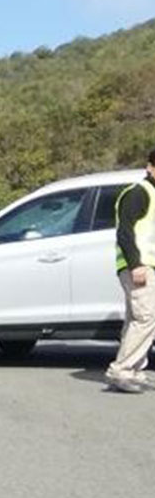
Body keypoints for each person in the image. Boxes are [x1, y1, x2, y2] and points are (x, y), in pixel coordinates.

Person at [106, 148, 155, 393]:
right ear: (150, 167)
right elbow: (125, 232)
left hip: (147, 266)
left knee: (136, 319)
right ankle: (122, 370)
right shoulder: (139, 193)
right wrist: (136, 264)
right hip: (137, 267)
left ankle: (133, 369)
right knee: (146, 318)